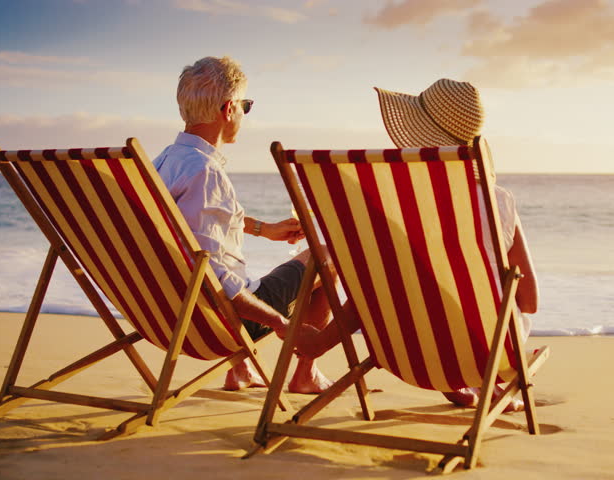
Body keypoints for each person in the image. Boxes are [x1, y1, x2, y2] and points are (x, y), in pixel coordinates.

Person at [153, 56, 332, 394]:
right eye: (246, 106)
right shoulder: (206, 173)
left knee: (221, 266)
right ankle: (306, 374)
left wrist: (264, 229)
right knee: (327, 256)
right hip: (216, 323)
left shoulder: (164, 162)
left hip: (163, 317)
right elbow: (222, 285)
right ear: (229, 108)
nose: (244, 115)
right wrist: (279, 323)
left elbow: (189, 228)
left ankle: (240, 369)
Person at [374, 78, 539, 410]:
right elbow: (530, 300)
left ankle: (463, 383)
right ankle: (481, 382)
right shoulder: (499, 202)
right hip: (488, 349)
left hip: (410, 345)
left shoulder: (393, 199)